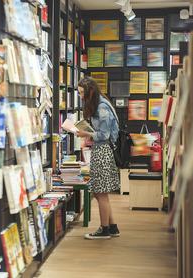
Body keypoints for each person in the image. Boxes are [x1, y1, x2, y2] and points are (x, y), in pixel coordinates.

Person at [76, 77, 120, 240]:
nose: (81, 96)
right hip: (100, 151)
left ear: (90, 92)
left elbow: (103, 135)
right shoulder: (99, 104)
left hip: (102, 152)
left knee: (100, 193)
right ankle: (112, 227)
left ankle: (104, 229)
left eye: (82, 93)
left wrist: (85, 133)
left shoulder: (101, 107)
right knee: (100, 192)